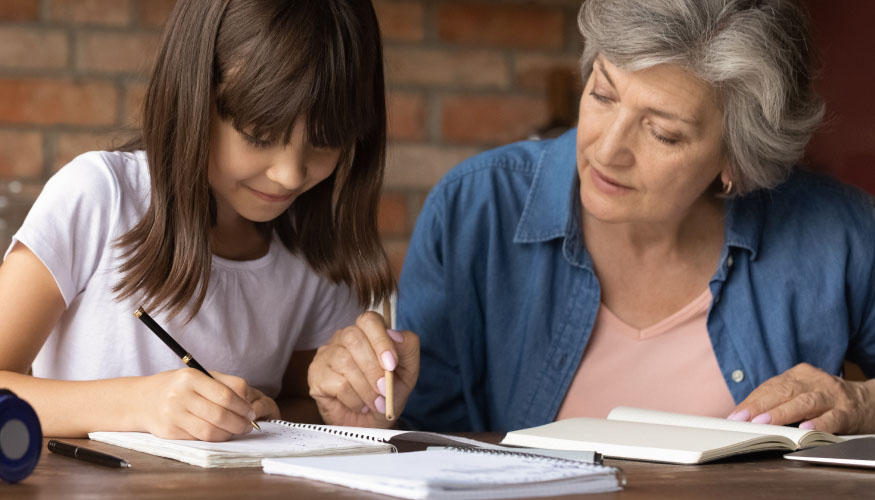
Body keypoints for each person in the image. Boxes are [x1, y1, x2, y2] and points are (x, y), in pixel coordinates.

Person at [308, 0, 875, 434]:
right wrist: (368, 413)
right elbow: (424, 436)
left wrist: (861, 403)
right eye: (603, 96)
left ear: (735, 160)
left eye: (663, 132)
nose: (606, 151)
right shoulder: (476, 209)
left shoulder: (836, 232)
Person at [0, 0, 393, 441]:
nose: (290, 174)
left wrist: (281, 409)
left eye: (326, 142)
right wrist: (137, 404)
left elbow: (302, 408)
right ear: (195, 98)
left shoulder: (312, 252)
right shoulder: (101, 197)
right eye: (259, 136)